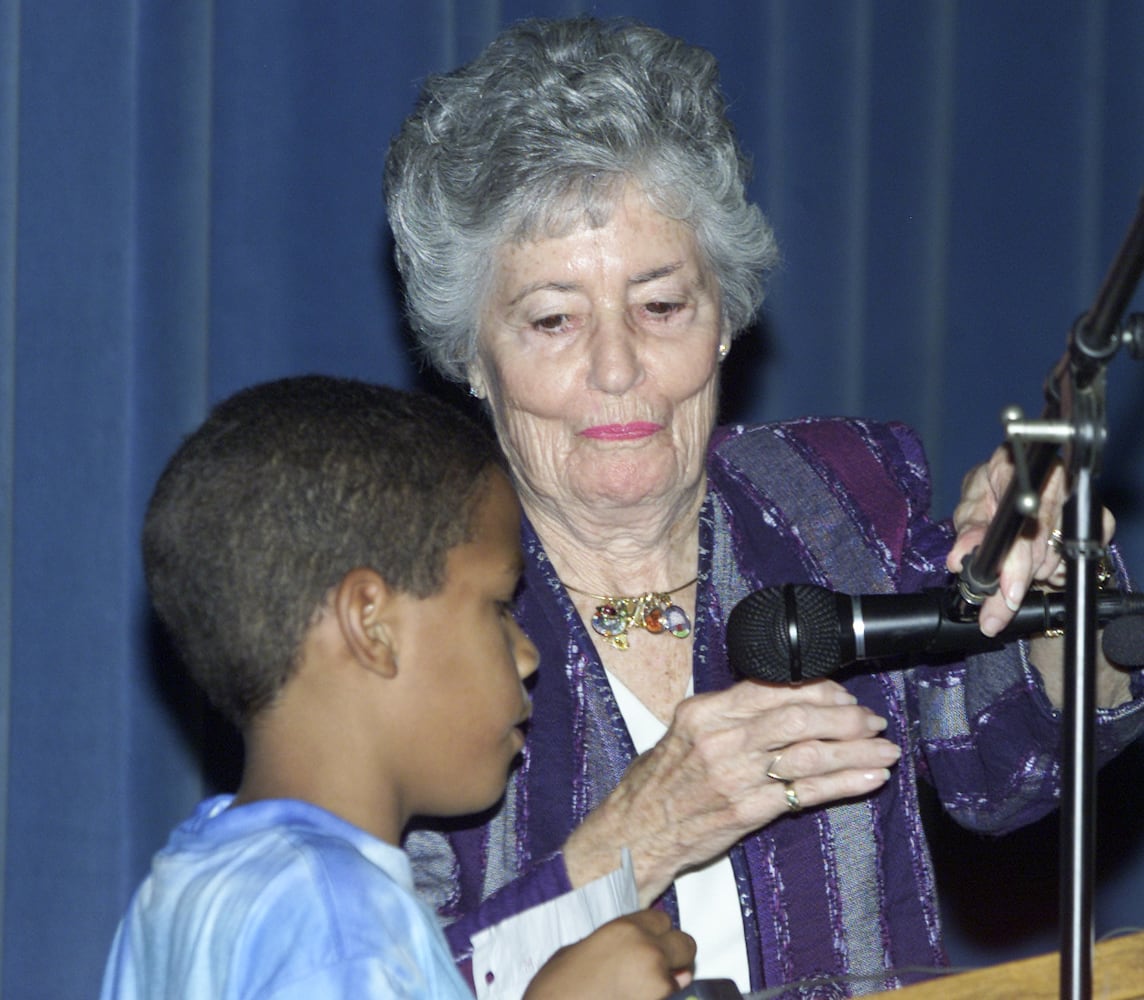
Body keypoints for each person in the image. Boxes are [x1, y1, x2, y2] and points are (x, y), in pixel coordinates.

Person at [383, 15, 1144, 997]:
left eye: (661, 307)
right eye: (553, 320)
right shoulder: (411, 609)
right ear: (470, 359)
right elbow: (382, 974)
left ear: (727, 318)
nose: (617, 367)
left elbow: (1009, 764)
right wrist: (632, 841)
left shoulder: (828, 495)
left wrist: (1047, 581)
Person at [99, 375, 696, 999]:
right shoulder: (335, 918)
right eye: (498, 606)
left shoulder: (183, 890)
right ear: (371, 626)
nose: (526, 655)